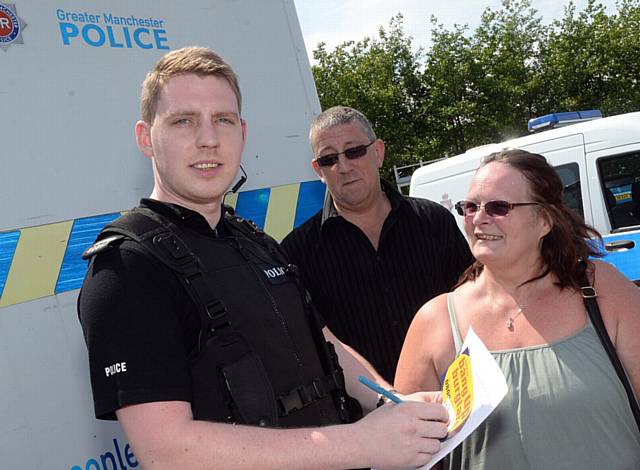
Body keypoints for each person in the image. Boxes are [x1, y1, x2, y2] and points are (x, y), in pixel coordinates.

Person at [77, 46, 450, 470]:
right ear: (147, 138)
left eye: (223, 120)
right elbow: (167, 451)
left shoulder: (254, 241)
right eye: (184, 121)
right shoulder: (128, 267)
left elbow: (323, 342)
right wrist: (362, 443)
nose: (208, 139)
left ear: (242, 133)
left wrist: (394, 402)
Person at [395, 148, 640, 469]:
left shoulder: (601, 290)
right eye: (469, 207)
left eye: (498, 207)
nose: (479, 218)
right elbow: (403, 450)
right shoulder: (436, 321)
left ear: (545, 221)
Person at [281, 106, 473, 382]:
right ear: (318, 170)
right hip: (367, 418)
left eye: (354, 151)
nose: (343, 166)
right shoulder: (297, 252)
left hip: (457, 399)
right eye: (329, 159)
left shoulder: (433, 221)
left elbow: (472, 304)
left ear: (378, 152)